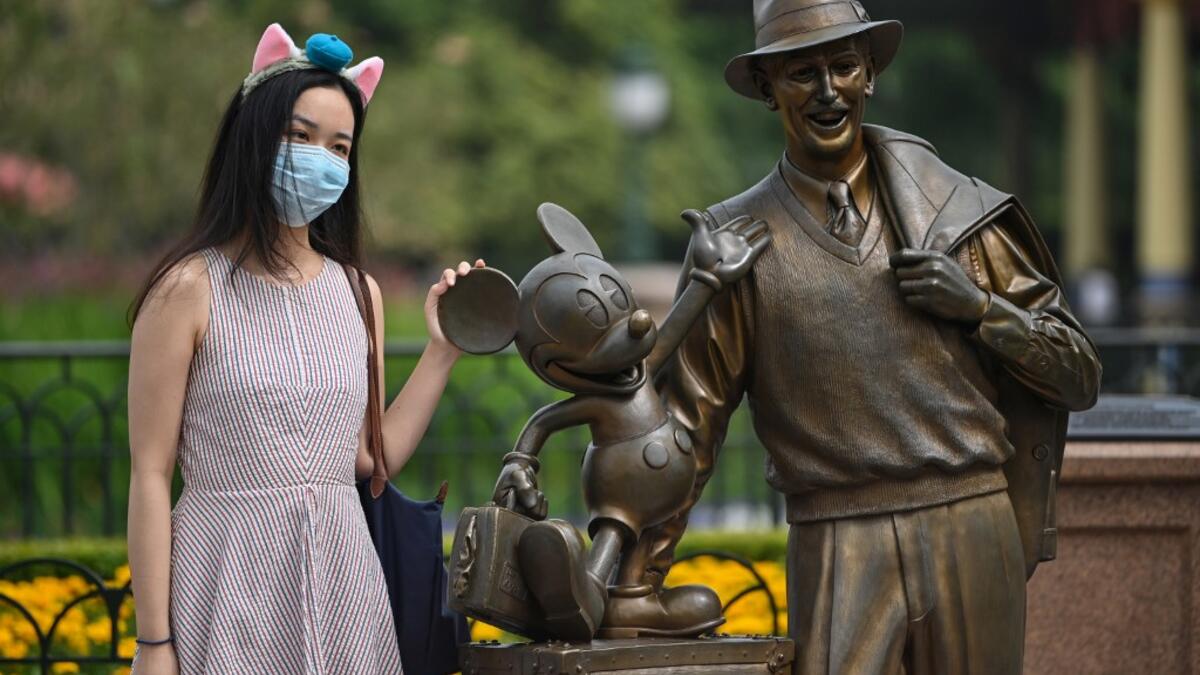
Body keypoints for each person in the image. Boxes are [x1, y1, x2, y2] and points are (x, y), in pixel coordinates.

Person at [613, 1, 1102, 673]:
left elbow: (1078, 375)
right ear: (765, 88)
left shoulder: (958, 215)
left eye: (843, 66)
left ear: (869, 74)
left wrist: (982, 308)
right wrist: (634, 580)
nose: (826, 90)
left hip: (971, 520)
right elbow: (690, 433)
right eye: (800, 72)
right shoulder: (734, 246)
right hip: (838, 535)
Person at [126, 23, 481, 674]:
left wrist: (442, 351)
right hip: (227, 575)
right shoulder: (186, 289)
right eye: (301, 135)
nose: (321, 158)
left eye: (340, 146)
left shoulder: (358, 292)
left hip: (346, 585)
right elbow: (150, 474)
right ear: (254, 137)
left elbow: (371, 459)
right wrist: (154, 642)